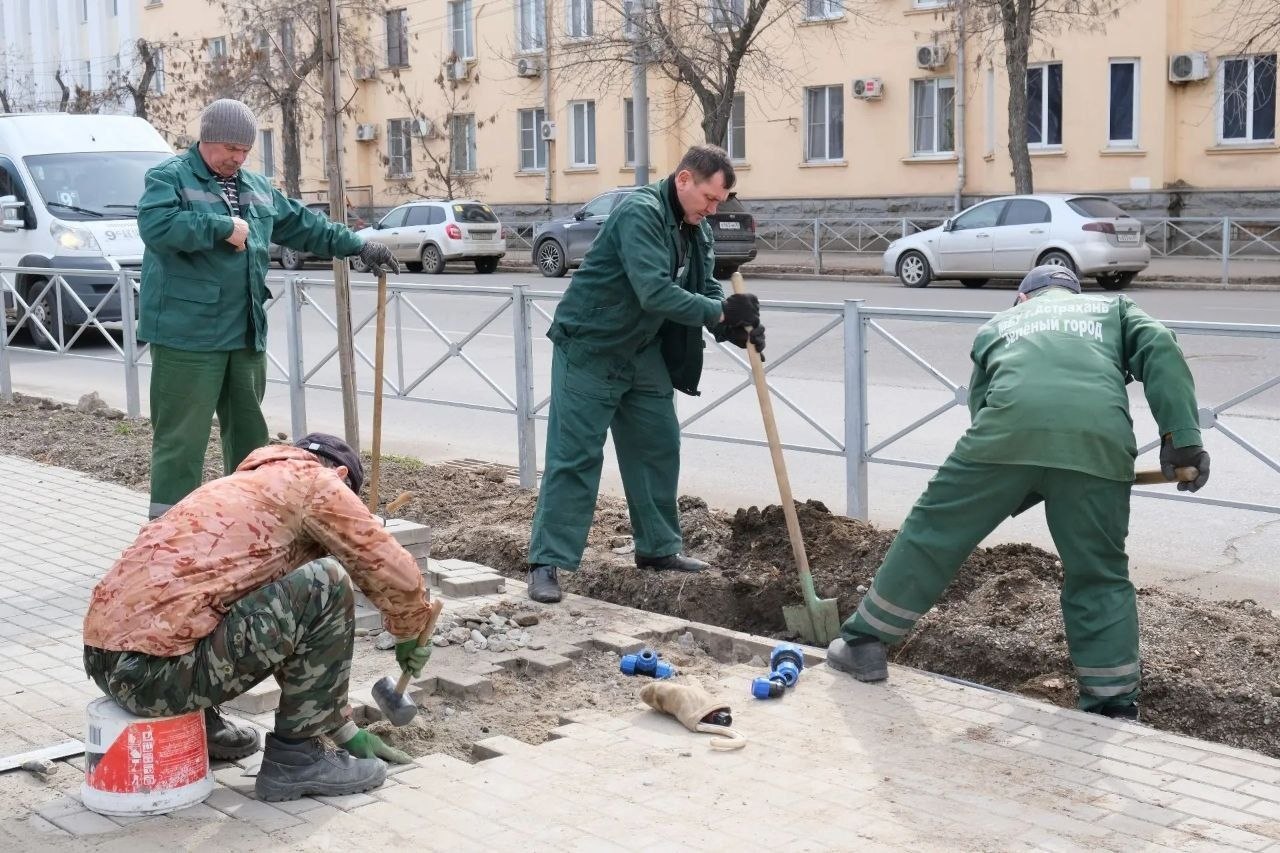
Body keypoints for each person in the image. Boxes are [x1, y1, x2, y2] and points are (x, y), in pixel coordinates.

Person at [826, 266, 1210, 721]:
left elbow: (982, 405)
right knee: (1099, 571)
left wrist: (1018, 482)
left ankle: (865, 643)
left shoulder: (999, 325)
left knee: (933, 533)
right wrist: (1181, 438)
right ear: (1074, 293)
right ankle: (1113, 702)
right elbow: (1160, 347)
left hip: (1002, 441)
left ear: (1023, 300)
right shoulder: (1113, 307)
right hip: (1097, 445)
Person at [82, 434, 432, 802]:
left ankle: (201, 720)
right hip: (156, 681)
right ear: (340, 474)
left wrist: (343, 730)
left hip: (106, 665)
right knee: (325, 582)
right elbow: (385, 561)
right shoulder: (315, 482)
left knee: (238, 591)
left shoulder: (244, 489)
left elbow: (281, 634)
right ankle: (297, 759)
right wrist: (410, 629)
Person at [137, 98, 400, 520]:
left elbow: (304, 225)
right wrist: (221, 226)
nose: (237, 158)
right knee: (181, 440)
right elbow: (156, 226)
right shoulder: (169, 177)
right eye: (228, 149)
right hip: (186, 334)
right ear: (206, 139)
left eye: (244, 150)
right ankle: (167, 535)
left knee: (250, 438)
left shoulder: (256, 186)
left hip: (244, 331)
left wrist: (358, 245)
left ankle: (246, 525)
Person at [525, 144, 765, 604]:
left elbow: (706, 283)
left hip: (641, 350)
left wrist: (734, 325)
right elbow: (654, 291)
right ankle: (546, 562)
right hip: (592, 345)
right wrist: (719, 313)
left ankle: (657, 548)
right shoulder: (640, 212)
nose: (714, 209)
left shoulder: (695, 226)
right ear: (683, 180)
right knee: (575, 457)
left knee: (658, 444)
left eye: (720, 202)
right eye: (710, 199)